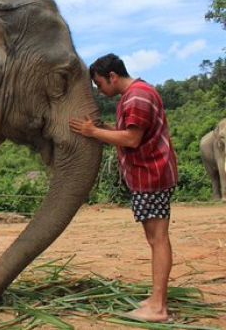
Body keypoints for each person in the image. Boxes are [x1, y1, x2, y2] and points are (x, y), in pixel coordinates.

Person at [69, 53, 177, 323]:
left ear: (112, 77)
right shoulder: (133, 96)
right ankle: (156, 298)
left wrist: (93, 133)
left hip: (151, 175)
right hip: (146, 176)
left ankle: (159, 308)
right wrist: (103, 127)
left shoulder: (138, 96)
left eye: (99, 84)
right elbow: (127, 131)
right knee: (155, 239)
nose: (99, 90)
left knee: (158, 238)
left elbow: (131, 138)